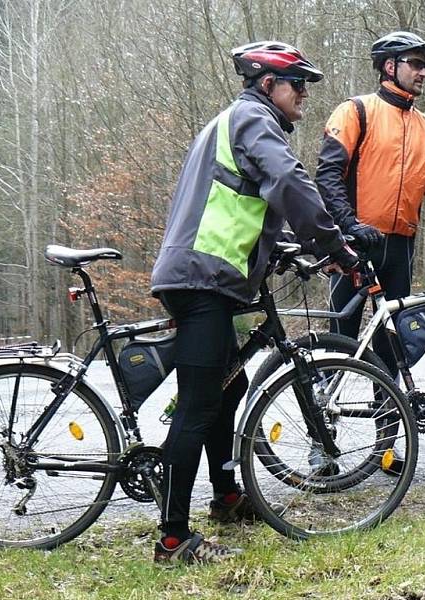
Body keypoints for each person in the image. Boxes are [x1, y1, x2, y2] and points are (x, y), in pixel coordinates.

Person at [149, 41, 358, 564]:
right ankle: (173, 540)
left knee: (230, 383)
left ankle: (225, 495)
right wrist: (334, 244)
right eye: (298, 85)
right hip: (203, 279)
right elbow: (288, 181)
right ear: (268, 85)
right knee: (197, 405)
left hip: (208, 275)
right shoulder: (252, 119)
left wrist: (286, 247)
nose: (304, 96)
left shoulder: (234, 122)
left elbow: (241, 198)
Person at [315, 30, 425, 380]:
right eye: (416, 64)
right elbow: (328, 176)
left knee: (393, 347)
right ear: (390, 66)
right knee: (341, 339)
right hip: (355, 242)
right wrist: (349, 225)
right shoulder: (356, 111)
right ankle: (321, 422)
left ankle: (390, 429)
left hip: (399, 249)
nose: (424, 72)